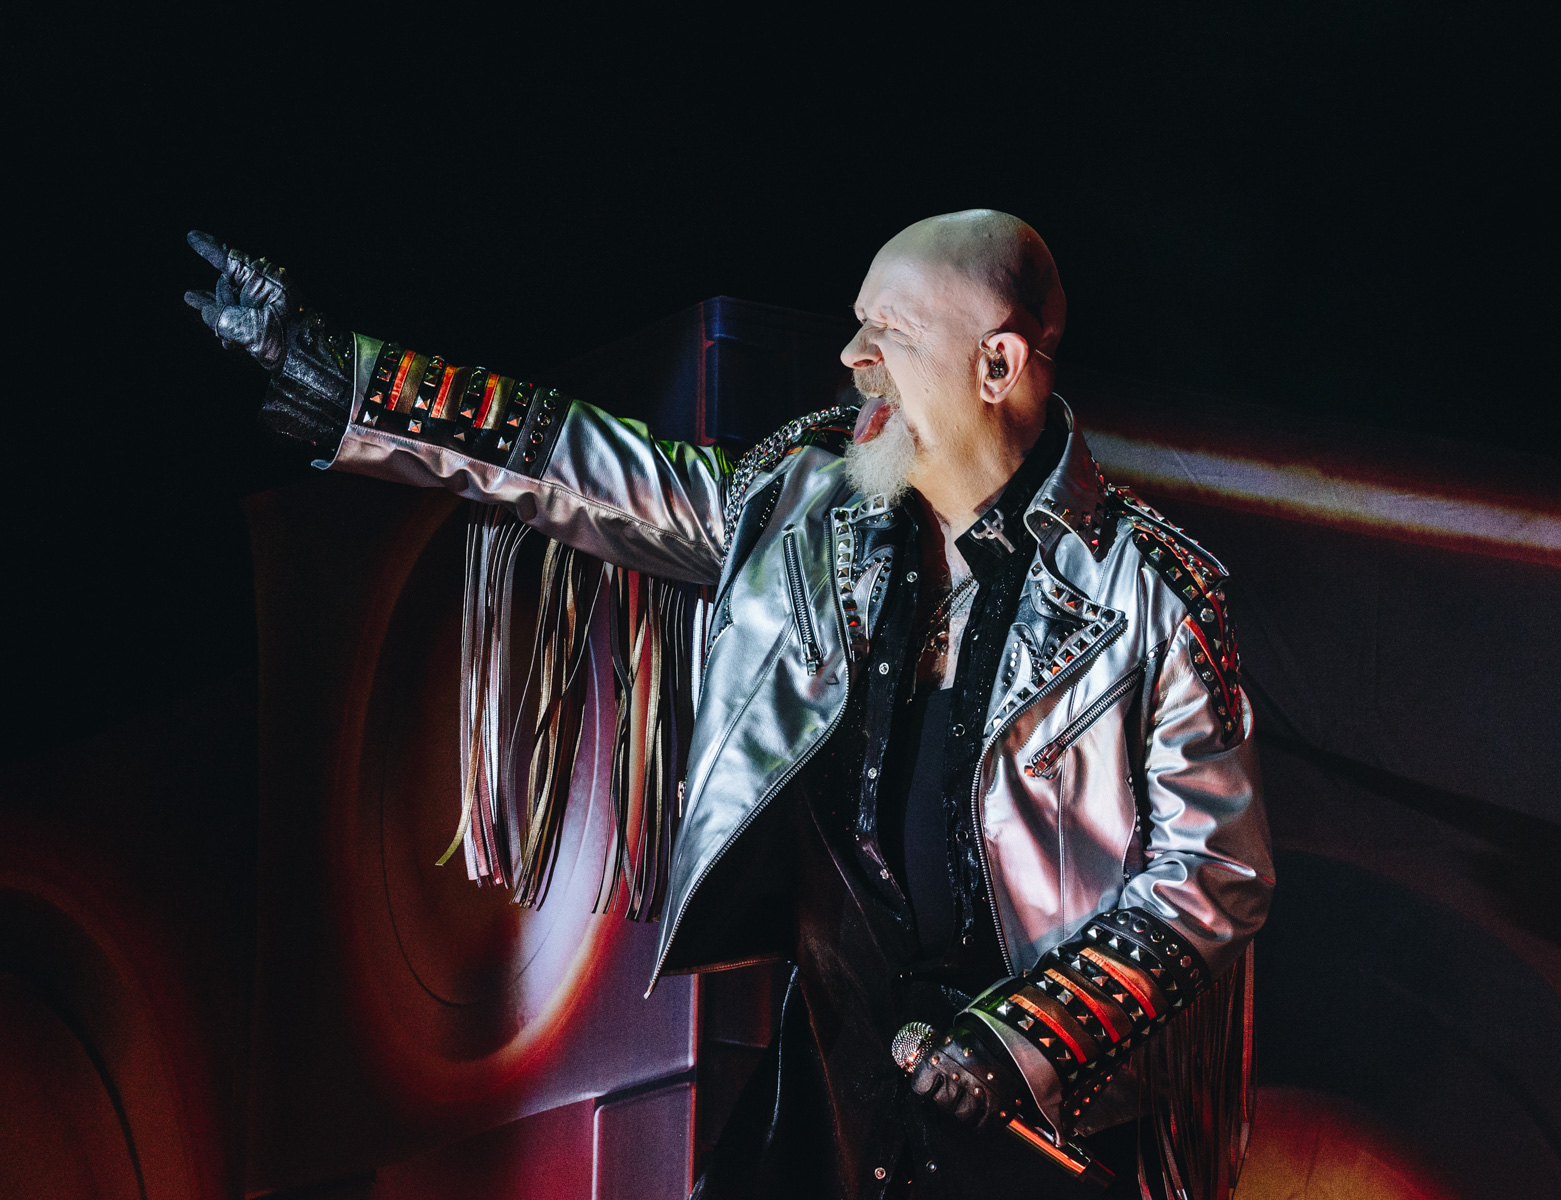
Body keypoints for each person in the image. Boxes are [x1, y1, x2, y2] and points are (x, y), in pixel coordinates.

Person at [185, 210, 1273, 1199]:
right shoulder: (807, 509)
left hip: (1040, 1134)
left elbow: (1214, 873)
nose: (853, 357)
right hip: (835, 1095)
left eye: (888, 330)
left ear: (997, 363)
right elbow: (592, 470)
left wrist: (1019, 1043)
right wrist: (357, 384)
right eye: (858, 326)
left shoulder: (1152, 596)